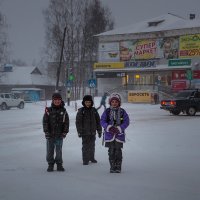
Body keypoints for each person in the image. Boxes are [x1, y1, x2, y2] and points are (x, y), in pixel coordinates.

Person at [100, 93, 129, 173]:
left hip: (119, 135)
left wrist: (120, 128)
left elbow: (126, 122)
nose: (114, 103)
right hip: (109, 135)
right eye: (112, 102)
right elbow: (102, 121)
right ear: (110, 102)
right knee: (111, 151)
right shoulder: (107, 111)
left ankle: (118, 166)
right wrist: (109, 127)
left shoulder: (122, 112)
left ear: (119, 102)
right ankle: (112, 166)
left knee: (118, 151)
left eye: (116, 102)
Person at [43, 92, 69, 172]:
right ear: (53, 100)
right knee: (50, 151)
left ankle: (59, 164)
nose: (57, 101)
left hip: (59, 136)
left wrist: (64, 132)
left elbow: (66, 123)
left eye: (59, 100)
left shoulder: (64, 111)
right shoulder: (48, 110)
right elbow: (45, 122)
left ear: (61, 100)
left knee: (58, 151)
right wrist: (46, 132)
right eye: (55, 100)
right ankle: (50, 164)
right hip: (50, 136)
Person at [76, 95, 102, 165]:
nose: (88, 103)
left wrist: (99, 131)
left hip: (92, 132)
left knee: (92, 146)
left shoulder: (94, 110)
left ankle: (91, 157)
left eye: (89, 102)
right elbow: (78, 122)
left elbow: (98, 121)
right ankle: (85, 159)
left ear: (91, 102)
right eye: (86, 102)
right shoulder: (81, 111)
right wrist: (79, 131)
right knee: (85, 146)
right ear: (84, 102)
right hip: (85, 133)